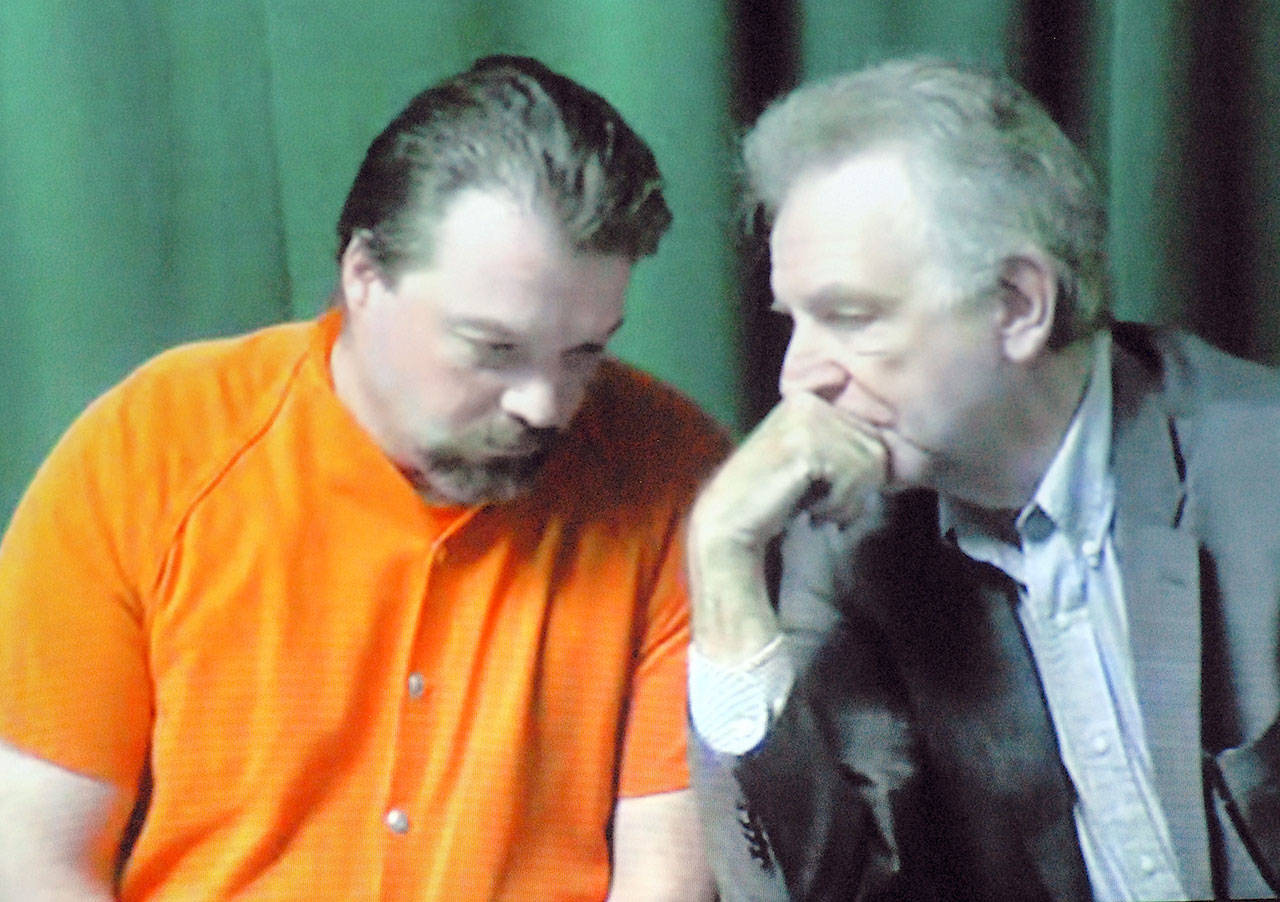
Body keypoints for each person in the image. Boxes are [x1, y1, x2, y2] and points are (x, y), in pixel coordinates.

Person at [0, 55, 724, 900]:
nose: (542, 404)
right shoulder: (150, 448)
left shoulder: (676, 478)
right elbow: (30, 855)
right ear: (364, 276)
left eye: (584, 353)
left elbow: (664, 885)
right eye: (493, 348)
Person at [686, 57, 1280, 901]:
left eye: (849, 317)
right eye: (794, 322)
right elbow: (820, 888)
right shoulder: (849, 547)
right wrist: (721, 560)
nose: (796, 379)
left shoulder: (1260, 469)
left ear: (1017, 304)